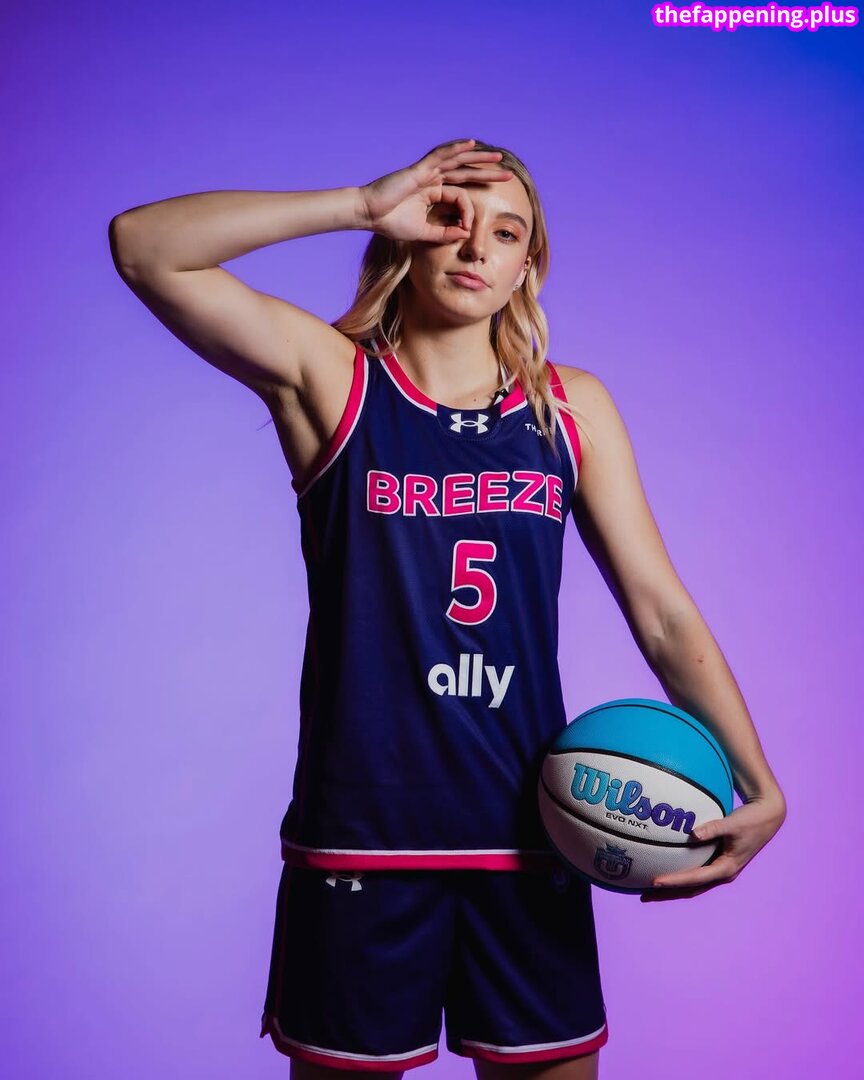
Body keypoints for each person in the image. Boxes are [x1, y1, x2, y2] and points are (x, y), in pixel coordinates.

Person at [109, 137, 787, 1080]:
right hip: (363, 839)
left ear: (527, 265)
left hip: (534, 836)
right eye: (449, 219)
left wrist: (759, 784)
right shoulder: (336, 380)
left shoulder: (569, 409)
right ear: (407, 236)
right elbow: (145, 247)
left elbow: (661, 612)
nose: (474, 247)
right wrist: (356, 201)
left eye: (505, 232)